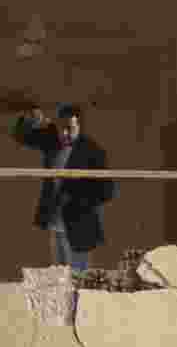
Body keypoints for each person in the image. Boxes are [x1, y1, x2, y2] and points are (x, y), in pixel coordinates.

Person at [13, 103, 116, 273]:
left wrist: (81, 197)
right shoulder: (52, 139)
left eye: (70, 128)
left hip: (80, 223)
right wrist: (32, 120)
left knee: (78, 278)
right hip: (56, 221)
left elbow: (107, 191)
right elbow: (22, 136)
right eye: (61, 128)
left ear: (80, 126)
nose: (64, 133)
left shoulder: (93, 151)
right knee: (59, 277)